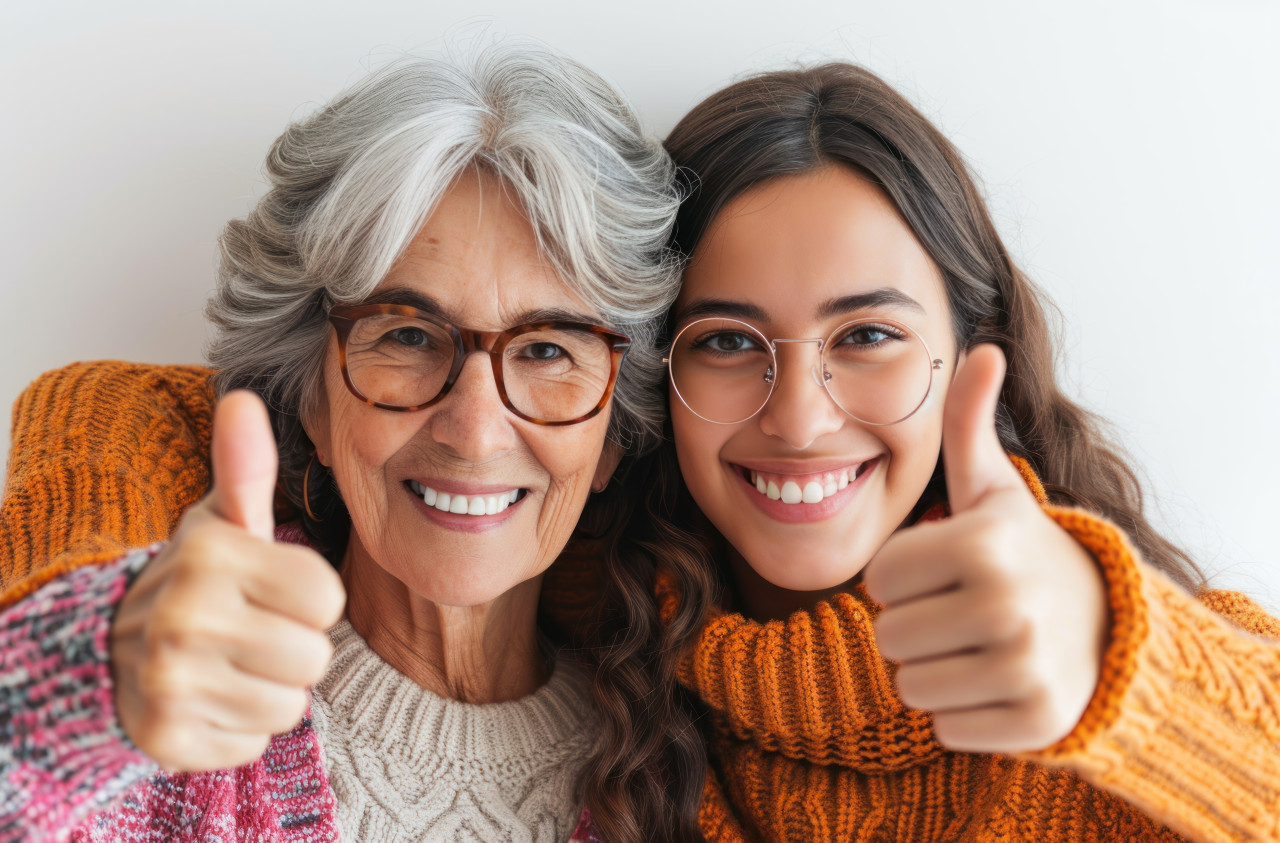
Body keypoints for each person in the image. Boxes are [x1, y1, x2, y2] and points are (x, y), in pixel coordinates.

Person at [575, 62, 1279, 841]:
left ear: (971, 352)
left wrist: (1121, 660)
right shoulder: (584, 634)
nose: (799, 419)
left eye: (868, 336)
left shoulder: (1122, 661)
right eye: (728, 341)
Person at [0, 43, 684, 842]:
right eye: (407, 335)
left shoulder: (674, 768)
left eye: (547, 351)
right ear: (311, 402)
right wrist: (83, 690)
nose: (474, 429)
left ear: (613, 434)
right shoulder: (168, 713)